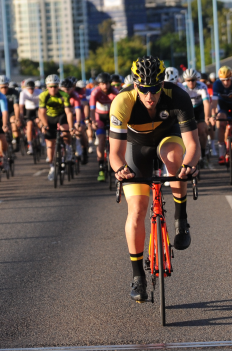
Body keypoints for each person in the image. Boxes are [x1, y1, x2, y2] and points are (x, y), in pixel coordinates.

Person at [110, 56, 199, 303]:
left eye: (155, 89)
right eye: (144, 90)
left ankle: (181, 218)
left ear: (163, 84)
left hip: (166, 137)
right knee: (137, 209)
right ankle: (137, 276)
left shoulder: (178, 96)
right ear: (135, 85)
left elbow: (193, 144)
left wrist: (190, 165)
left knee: (175, 159)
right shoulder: (122, 101)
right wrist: (119, 169)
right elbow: (115, 154)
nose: (150, 96)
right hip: (135, 145)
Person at [38, 74, 74, 181]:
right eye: (50, 86)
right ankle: (52, 167)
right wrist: (45, 125)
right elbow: (42, 112)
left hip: (61, 115)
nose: (53, 89)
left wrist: (71, 127)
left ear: (58, 86)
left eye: (55, 86)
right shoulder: (43, 96)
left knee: (65, 129)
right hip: (49, 117)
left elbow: (68, 113)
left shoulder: (64, 95)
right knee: (50, 144)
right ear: (47, 86)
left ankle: (68, 148)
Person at [180, 68, 212, 168]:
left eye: (193, 80)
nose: (191, 82)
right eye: (188, 80)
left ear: (196, 79)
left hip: (200, 109)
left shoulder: (202, 86)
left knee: (202, 130)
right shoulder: (183, 87)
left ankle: (202, 153)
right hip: (188, 109)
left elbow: (206, 103)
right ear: (185, 80)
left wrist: (207, 117)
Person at [90, 73, 118, 181]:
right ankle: (101, 167)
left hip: (112, 118)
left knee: (115, 142)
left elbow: (120, 108)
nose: (105, 86)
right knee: (101, 140)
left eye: (106, 83)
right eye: (102, 84)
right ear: (99, 84)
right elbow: (92, 109)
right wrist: (93, 121)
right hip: (100, 117)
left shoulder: (115, 92)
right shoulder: (95, 92)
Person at [0, 75, 21, 151]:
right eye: (1, 87)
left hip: (11, 111)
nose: (4, 89)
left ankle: (17, 142)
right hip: (1, 113)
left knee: (13, 122)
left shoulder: (13, 92)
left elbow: (16, 106)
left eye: (5, 87)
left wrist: (17, 118)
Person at [19, 80, 41, 156]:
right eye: (29, 89)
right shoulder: (23, 93)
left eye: (32, 88)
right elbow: (21, 106)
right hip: (28, 109)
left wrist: (39, 117)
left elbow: (43, 105)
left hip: (37, 108)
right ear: (26, 89)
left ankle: (41, 137)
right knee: (29, 125)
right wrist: (21, 115)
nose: (31, 90)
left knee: (39, 122)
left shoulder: (39, 92)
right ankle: (30, 145)